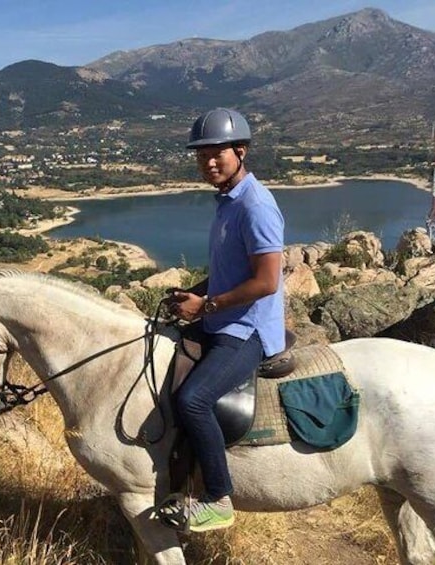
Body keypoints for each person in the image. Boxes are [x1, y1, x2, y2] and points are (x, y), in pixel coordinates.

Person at [167, 108, 285, 532]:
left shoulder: (256, 207)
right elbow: (228, 272)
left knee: (192, 400)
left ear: (241, 150)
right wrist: (196, 293)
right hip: (224, 318)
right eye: (201, 156)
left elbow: (267, 281)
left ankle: (218, 498)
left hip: (247, 330)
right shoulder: (227, 203)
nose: (208, 163)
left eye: (217, 153)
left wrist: (207, 306)